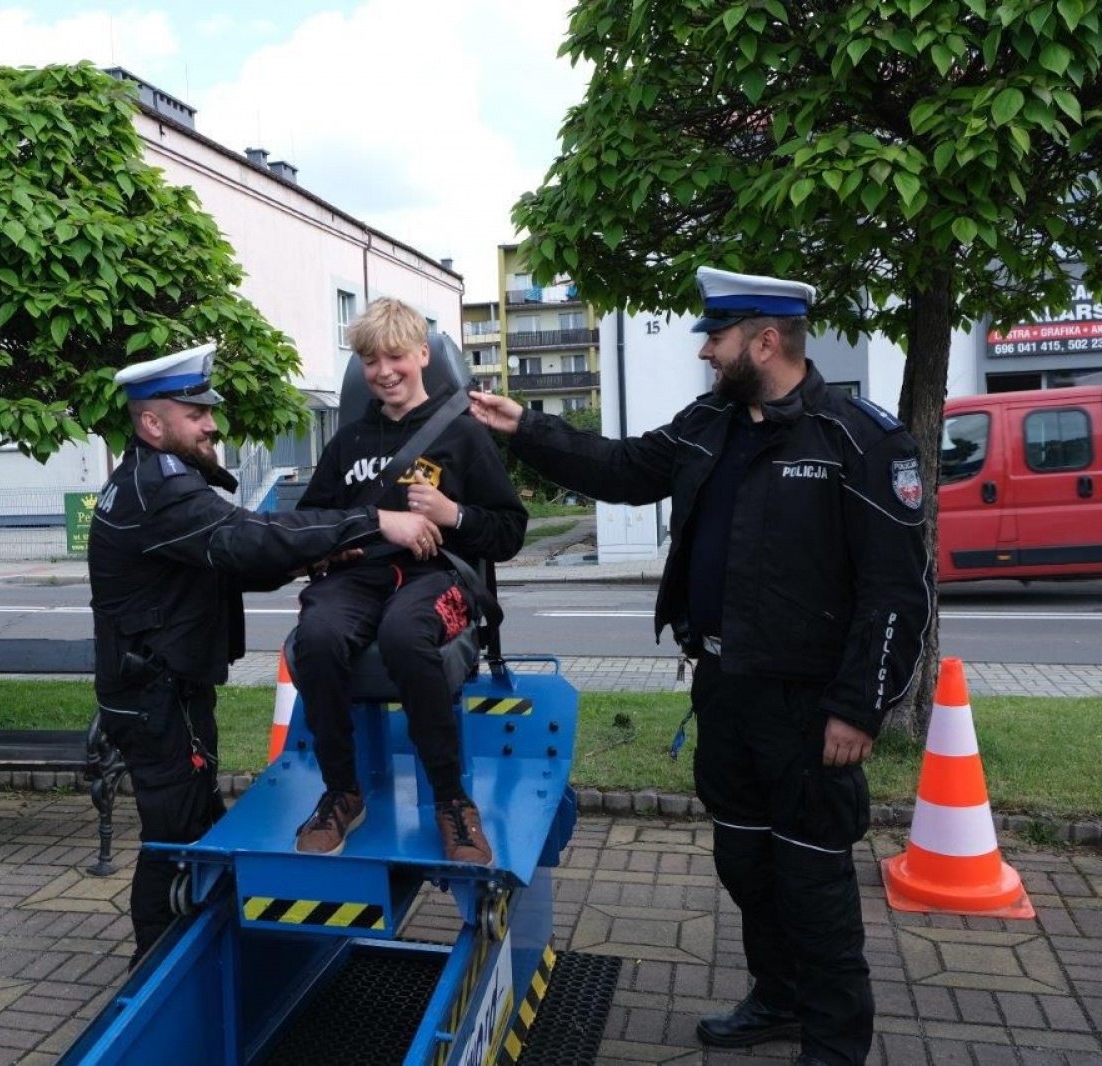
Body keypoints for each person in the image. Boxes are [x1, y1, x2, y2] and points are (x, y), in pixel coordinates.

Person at [469, 267, 931, 1066]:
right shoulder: (710, 421)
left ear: (765, 339)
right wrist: (527, 429)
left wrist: (860, 708)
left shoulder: (860, 438)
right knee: (746, 862)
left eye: (716, 338)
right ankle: (777, 997)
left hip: (811, 705)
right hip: (726, 689)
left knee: (814, 883)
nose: (707, 353)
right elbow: (624, 468)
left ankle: (834, 1040)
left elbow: (897, 591)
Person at [88, 341, 441, 964]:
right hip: (154, 699)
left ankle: (193, 955)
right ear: (151, 422)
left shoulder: (155, 482)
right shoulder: (159, 488)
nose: (211, 423)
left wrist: (316, 554)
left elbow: (228, 562)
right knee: (173, 839)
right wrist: (372, 523)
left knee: (194, 822)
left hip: (164, 691)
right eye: (195, 414)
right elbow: (245, 539)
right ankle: (155, 972)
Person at [289, 298, 527, 864]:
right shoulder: (347, 442)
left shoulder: (464, 435)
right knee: (316, 637)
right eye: (369, 361)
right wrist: (356, 533)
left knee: (404, 635)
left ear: (423, 354)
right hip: (359, 576)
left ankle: (450, 799)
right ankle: (343, 791)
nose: (383, 371)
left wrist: (454, 516)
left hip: (437, 577)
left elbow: (510, 531)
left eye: (395, 355)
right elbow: (308, 523)